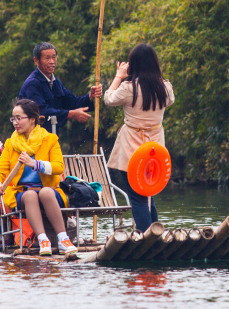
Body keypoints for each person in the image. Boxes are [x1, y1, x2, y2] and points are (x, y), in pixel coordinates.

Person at [0, 99, 77, 257]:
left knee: (45, 193)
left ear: (32, 119)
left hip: (50, 191)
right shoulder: (11, 144)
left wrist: (34, 164)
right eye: (13, 118)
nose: (15, 122)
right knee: (30, 195)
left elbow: (59, 167)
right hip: (22, 193)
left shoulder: (50, 140)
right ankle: (43, 240)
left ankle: (64, 239)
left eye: (19, 118)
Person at [104, 43, 175, 232]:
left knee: (137, 198)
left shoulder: (129, 88)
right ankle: (155, 234)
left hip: (132, 148)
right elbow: (171, 100)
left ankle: (147, 237)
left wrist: (119, 75)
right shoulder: (166, 87)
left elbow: (108, 98)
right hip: (155, 149)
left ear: (133, 64)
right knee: (149, 194)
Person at [19, 42, 103, 130]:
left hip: (51, 136)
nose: (51, 62)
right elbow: (42, 112)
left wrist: (90, 96)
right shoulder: (32, 83)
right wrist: (70, 114)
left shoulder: (55, 81)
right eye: (47, 58)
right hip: (33, 138)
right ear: (36, 60)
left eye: (54, 57)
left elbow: (72, 102)